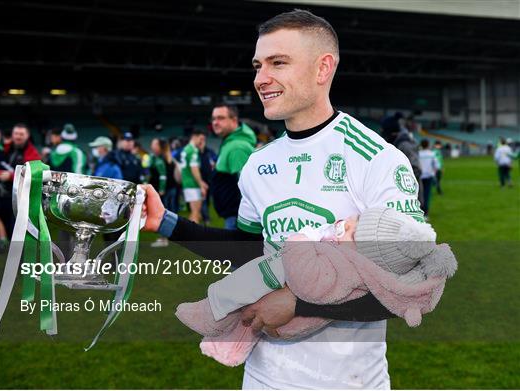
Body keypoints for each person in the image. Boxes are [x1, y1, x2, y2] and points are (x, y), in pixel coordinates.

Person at [142, 9, 424, 389]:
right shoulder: (259, 163)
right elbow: (250, 250)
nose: (261, 79)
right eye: (258, 65)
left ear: (323, 68)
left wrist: (299, 304)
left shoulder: (376, 158)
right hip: (263, 377)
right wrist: (167, 224)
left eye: (278, 63)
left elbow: (412, 286)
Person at [0, 124, 40, 237]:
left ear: (27, 136)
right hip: (1, 194)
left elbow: (33, 174)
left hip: (19, 196)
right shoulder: (4, 147)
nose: (18, 137)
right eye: (16, 134)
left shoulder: (32, 152)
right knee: (3, 221)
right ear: (12, 134)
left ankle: (17, 251)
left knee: (15, 225)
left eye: (21, 134)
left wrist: (10, 176)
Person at [210, 105, 257, 229]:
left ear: (234, 120)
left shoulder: (237, 147)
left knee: (235, 249)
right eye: (213, 119)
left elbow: (246, 187)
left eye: (220, 118)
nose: (215, 122)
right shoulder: (230, 142)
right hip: (233, 214)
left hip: (237, 216)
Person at [180, 130, 208, 223]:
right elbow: (194, 169)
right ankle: (190, 235)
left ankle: (187, 234)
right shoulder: (193, 150)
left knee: (195, 213)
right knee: (196, 214)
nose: (201, 141)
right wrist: (201, 184)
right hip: (193, 184)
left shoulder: (186, 149)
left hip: (187, 183)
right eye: (200, 139)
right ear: (194, 137)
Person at [419, 139, 438, 216]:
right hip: (429, 176)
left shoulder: (418, 153)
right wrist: (434, 173)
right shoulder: (431, 154)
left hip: (420, 176)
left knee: (419, 194)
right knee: (426, 194)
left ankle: (419, 211)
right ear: (428, 145)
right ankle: (425, 213)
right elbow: (436, 166)